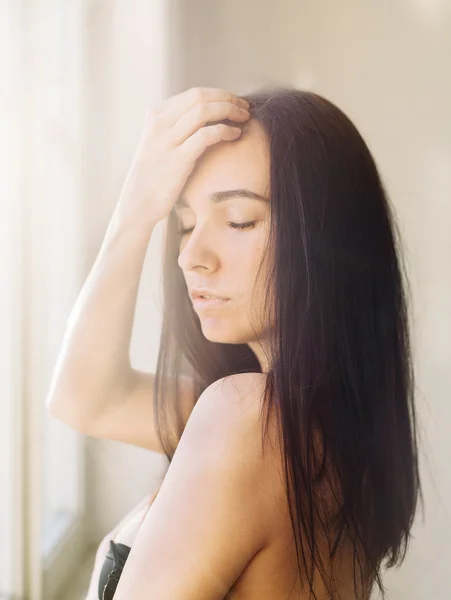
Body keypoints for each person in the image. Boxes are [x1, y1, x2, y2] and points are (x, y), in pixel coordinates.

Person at [46, 86, 421, 600]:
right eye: (184, 223)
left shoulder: (250, 421)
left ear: (327, 243)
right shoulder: (321, 434)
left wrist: (133, 211)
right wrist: (135, 210)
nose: (191, 256)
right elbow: (86, 399)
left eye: (239, 220)